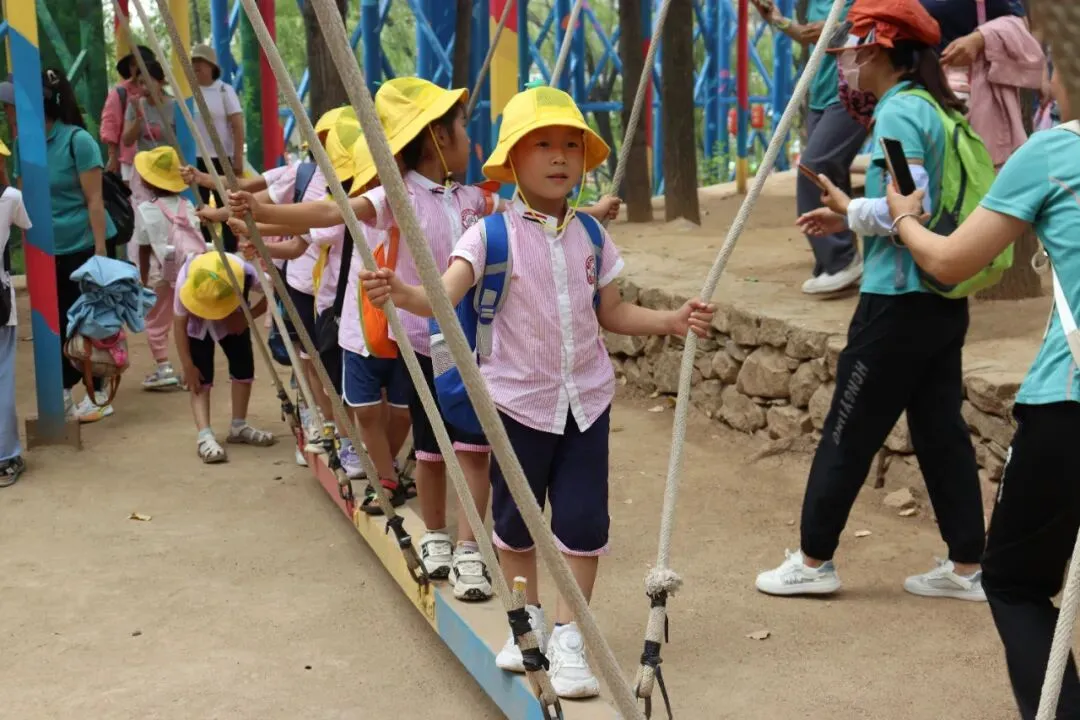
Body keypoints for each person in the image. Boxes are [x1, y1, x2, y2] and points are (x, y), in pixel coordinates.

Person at [360, 85, 714, 697]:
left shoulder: (592, 237)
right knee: (516, 524)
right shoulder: (488, 236)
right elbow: (442, 296)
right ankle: (527, 623)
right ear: (513, 160)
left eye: (571, 147)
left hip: (586, 403)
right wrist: (403, 293)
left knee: (583, 523)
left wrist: (671, 321)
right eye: (542, 144)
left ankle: (571, 636)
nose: (559, 157)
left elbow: (612, 312)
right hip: (517, 405)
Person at [755, 0, 987, 601]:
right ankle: (968, 566)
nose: (847, 61)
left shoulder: (899, 112)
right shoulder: (934, 106)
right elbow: (910, 205)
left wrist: (849, 207)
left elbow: (910, 205)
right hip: (939, 298)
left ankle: (813, 560)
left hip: (896, 301)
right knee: (939, 431)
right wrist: (851, 218)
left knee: (848, 428)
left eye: (855, 47)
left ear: (883, 49)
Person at [886, 67, 1080, 720]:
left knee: (1016, 582)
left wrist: (903, 217)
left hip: (1068, 402)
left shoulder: (1054, 153)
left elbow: (949, 262)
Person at [752, 0, 866, 295]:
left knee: (813, 168)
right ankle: (841, 261)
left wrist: (839, 29)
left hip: (853, 90)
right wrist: (777, 19)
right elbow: (808, 35)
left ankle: (840, 260)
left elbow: (874, 26)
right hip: (821, 93)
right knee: (830, 176)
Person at [40, 69, 118, 423]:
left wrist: (99, 252)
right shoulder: (26, 144)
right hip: (47, 249)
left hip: (85, 244)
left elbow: (94, 200)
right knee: (56, 320)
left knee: (89, 319)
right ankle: (63, 390)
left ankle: (98, 392)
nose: (8, 111)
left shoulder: (78, 141)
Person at [174, 250, 275, 463]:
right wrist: (187, 364)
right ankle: (204, 435)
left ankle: (239, 426)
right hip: (197, 327)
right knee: (199, 378)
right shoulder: (185, 279)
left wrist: (247, 318)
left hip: (233, 318)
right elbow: (179, 325)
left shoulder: (244, 271)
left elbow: (273, 288)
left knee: (243, 368)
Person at [132, 146, 206, 390]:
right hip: (190, 271)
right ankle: (193, 367)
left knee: (156, 320)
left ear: (147, 180)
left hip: (161, 273)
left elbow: (144, 248)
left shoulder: (146, 210)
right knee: (191, 318)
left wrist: (143, 279)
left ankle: (163, 367)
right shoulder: (187, 205)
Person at [190, 44, 243, 253]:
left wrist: (238, 157)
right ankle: (203, 250)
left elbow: (237, 125)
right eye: (193, 62)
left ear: (211, 66)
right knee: (200, 207)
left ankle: (230, 251)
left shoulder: (224, 90)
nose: (196, 66)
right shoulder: (187, 91)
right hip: (195, 159)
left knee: (227, 204)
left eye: (200, 62)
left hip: (222, 158)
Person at [0, 137, 31, 487]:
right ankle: (5, 457)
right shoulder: (9, 198)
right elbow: (25, 225)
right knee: (3, 375)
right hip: (0, 297)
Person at [100, 45, 154, 183]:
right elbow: (110, 124)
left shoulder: (159, 92)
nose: (136, 68)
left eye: (140, 63)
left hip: (157, 157)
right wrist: (112, 156)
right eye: (132, 65)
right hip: (131, 160)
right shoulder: (120, 92)